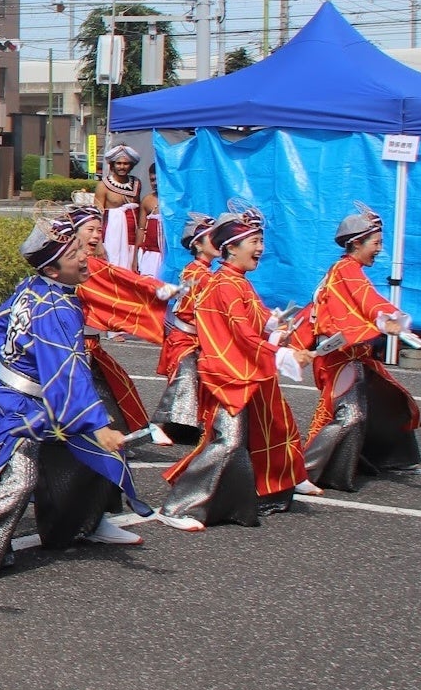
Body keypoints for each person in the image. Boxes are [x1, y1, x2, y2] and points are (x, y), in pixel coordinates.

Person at [0, 214, 149, 586]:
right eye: (74, 253)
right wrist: (97, 424)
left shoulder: (35, 286)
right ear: (54, 270)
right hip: (19, 406)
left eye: (79, 248)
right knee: (18, 480)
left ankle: (87, 522)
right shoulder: (57, 307)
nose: (84, 256)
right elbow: (66, 369)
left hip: (26, 398)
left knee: (86, 457)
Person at [158, 204, 316, 530]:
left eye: (261, 240)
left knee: (259, 432)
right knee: (227, 442)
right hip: (226, 375)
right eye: (254, 241)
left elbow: (255, 320)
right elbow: (242, 334)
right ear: (231, 247)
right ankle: (178, 507)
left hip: (239, 370)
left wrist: (281, 331)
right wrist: (282, 355)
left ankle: (256, 494)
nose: (260, 248)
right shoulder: (224, 284)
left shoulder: (237, 281)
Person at [302, 205, 421, 490]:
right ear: (356, 243)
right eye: (376, 243)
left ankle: (359, 460)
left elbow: (364, 300)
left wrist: (386, 318)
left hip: (350, 354)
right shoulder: (347, 270)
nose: (379, 249)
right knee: (348, 414)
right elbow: (367, 300)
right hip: (341, 356)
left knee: (371, 406)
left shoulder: (346, 270)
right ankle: (303, 470)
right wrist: (386, 319)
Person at [66, 201, 182, 445]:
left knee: (112, 387)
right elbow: (127, 283)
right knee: (96, 392)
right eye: (90, 229)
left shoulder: (89, 263)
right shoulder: (81, 265)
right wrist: (162, 290)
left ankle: (114, 439)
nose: (96, 235)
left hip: (87, 344)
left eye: (99, 230)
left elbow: (122, 284)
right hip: (73, 347)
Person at [152, 212, 220, 443]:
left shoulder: (203, 272)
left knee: (195, 381)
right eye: (212, 237)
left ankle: (188, 428)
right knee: (184, 380)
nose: (218, 242)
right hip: (185, 337)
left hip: (194, 337)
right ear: (198, 244)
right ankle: (159, 425)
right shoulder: (198, 272)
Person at [95, 144, 144, 272]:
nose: (122, 167)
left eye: (126, 163)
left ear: (131, 165)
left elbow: (138, 213)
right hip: (111, 239)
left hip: (132, 238)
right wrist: (99, 245)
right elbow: (97, 217)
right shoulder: (103, 186)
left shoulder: (137, 183)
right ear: (112, 165)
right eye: (119, 163)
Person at [136, 165, 164, 278]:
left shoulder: (176, 200)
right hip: (150, 255)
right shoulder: (147, 200)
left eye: (159, 179)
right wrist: (135, 258)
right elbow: (141, 229)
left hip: (168, 256)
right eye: (152, 180)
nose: (155, 183)